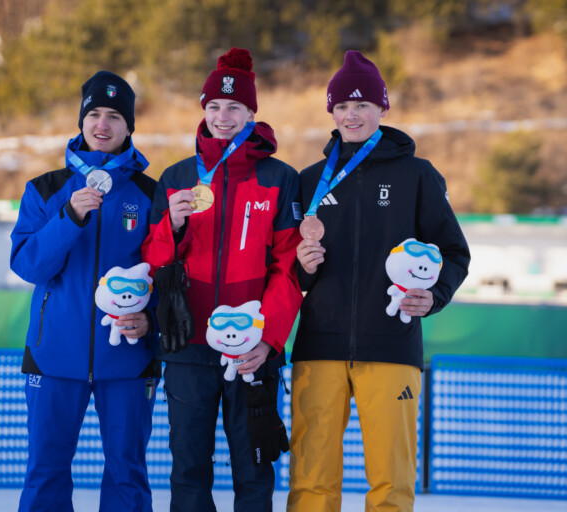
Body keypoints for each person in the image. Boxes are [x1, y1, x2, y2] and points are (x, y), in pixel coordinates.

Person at [288, 51, 471, 512]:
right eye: (342, 106)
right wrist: (301, 265)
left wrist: (434, 295)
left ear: (382, 108)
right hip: (318, 346)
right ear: (331, 112)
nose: (351, 115)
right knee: (310, 480)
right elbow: (287, 269)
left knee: (391, 482)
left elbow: (454, 252)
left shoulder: (417, 175)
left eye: (362, 105)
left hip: (392, 344)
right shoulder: (309, 180)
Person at [142, 47, 303, 511]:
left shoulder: (279, 178)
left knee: (254, 472)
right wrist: (171, 227)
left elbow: (288, 269)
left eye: (234, 107)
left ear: (252, 112)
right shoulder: (176, 177)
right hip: (188, 348)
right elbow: (153, 262)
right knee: (189, 471)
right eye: (213, 106)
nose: (222, 117)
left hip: (252, 351)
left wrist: (268, 341)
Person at [10, 70, 159, 512]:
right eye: (94, 114)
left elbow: (169, 274)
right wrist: (69, 219)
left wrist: (150, 319)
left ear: (129, 126)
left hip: (129, 357)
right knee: (46, 472)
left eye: (115, 116)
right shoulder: (46, 190)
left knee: (128, 474)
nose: (102, 124)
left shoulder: (151, 195)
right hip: (53, 355)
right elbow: (29, 265)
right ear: (81, 121)